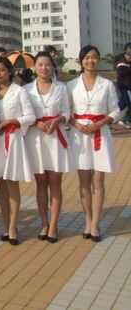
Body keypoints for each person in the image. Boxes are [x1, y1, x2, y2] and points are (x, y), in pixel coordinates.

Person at [68, 45, 121, 242]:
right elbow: (66, 111)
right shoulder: (71, 85)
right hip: (79, 136)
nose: (90, 61)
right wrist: (77, 124)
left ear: (98, 60)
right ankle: (87, 220)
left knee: (98, 181)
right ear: (81, 61)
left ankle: (96, 224)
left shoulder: (107, 85)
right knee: (84, 181)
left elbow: (116, 110)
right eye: (87, 58)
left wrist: (99, 124)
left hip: (100, 134)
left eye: (94, 57)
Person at [25, 52, 72, 243]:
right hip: (35, 140)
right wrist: (36, 123)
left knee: (55, 183)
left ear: (52, 67)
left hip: (55, 140)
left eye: (47, 65)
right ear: (34, 67)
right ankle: (44, 223)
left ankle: (53, 225)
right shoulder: (26, 89)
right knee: (40, 183)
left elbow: (67, 112)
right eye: (40, 65)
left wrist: (59, 119)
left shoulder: (61, 88)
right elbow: (24, 114)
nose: (44, 68)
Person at [0, 56, 35, 245]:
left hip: (13, 139)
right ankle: (5, 225)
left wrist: (12, 121)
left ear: (9, 71)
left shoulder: (19, 91)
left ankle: (13, 227)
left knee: (12, 184)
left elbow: (30, 116)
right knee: (1, 185)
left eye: (2, 70)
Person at [115, 42, 131, 127]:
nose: (130, 56)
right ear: (125, 52)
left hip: (128, 87)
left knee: (122, 104)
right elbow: (122, 74)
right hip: (124, 86)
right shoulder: (121, 63)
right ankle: (126, 120)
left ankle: (111, 118)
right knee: (129, 103)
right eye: (129, 54)